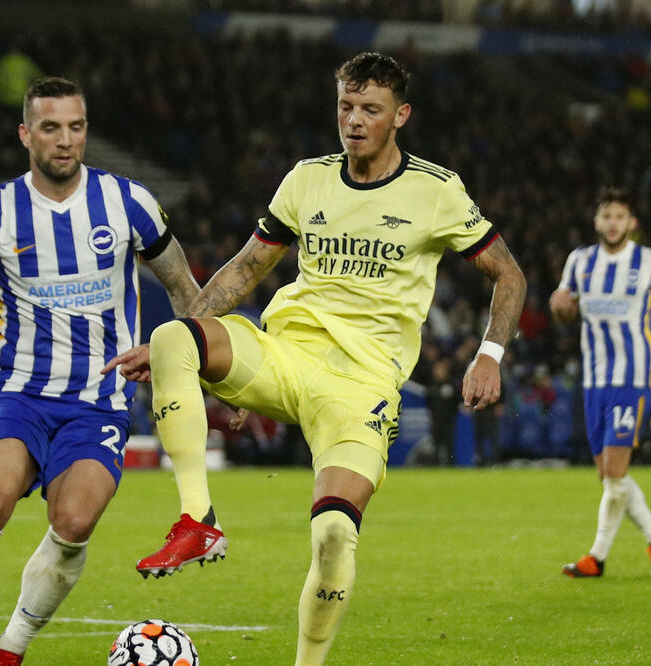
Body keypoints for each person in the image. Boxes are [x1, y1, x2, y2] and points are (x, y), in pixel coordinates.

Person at [105, 52, 526, 665]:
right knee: (174, 336)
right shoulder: (307, 179)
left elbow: (508, 274)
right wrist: (189, 340)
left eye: (370, 110)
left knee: (333, 532)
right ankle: (199, 521)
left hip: (362, 387)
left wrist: (489, 353)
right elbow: (248, 268)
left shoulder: (436, 191)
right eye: (346, 107)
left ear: (400, 115)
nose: (354, 121)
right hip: (285, 354)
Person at [0, 77, 199, 666]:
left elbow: (187, 292)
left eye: (76, 127)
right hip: (20, 392)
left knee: (74, 519)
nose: (65, 140)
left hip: (99, 399)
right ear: (26, 134)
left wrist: (192, 365)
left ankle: (9, 651)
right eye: (51, 128)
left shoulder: (129, 203)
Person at [550, 187, 651, 578]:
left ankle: (596, 558)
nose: (612, 223)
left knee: (614, 474)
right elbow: (563, 307)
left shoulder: (650, 262)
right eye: (606, 216)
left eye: (620, 216)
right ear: (597, 222)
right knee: (608, 476)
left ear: (631, 223)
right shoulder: (579, 262)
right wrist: (559, 306)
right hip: (594, 380)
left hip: (631, 378)